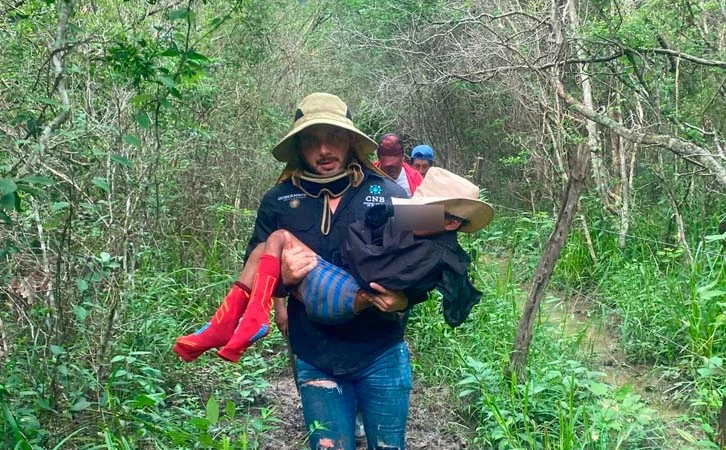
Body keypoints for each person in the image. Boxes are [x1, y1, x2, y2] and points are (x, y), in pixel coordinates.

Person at [172, 168, 494, 365]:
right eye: (416, 207)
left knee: (280, 238)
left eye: (426, 211)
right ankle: (230, 321)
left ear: (451, 222)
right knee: (265, 246)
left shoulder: (438, 252)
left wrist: (403, 299)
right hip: (340, 288)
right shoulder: (424, 228)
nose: (414, 214)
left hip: (346, 296)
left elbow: (377, 273)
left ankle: (248, 317)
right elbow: (378, 229)